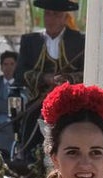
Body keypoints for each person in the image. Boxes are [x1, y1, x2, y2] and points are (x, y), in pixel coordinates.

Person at [12, 0, 86, 165]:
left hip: (70, 102)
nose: (51, 19)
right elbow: (20, 73)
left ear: (64, 17)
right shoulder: (30, 41)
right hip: (39, 100)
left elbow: (86, 72)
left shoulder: (79, 40)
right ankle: (28, 159)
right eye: (48, 14)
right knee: (32, 118)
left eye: (56, 15)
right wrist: (45, 78)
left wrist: (67, 79)